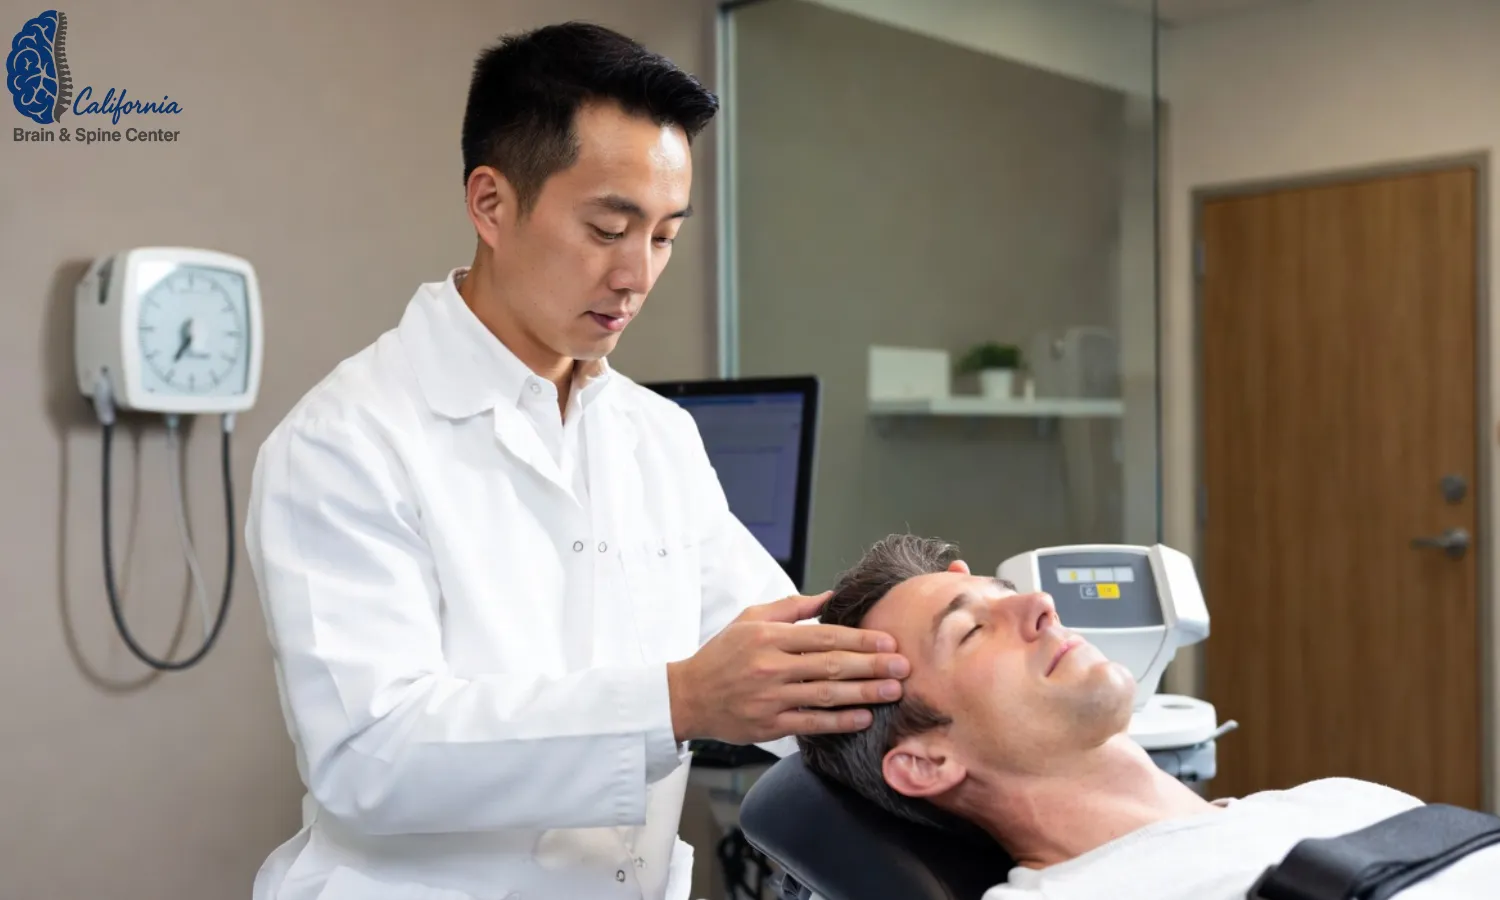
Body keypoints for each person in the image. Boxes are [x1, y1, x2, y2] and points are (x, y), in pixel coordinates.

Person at [244, 22, 911, 900]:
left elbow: (781, 649)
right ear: (490, 203)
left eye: (666, 236)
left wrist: (941, 684)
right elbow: (370, 753)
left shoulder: (654, 436)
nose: (636, 274)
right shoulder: (345, 441)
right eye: (608, 227)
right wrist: (676, 703)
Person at [797, 533, 1500, 899]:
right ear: (927, 760)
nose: (1038, 604)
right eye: (971, 631)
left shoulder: (1343, 799)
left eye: (1006, 591)